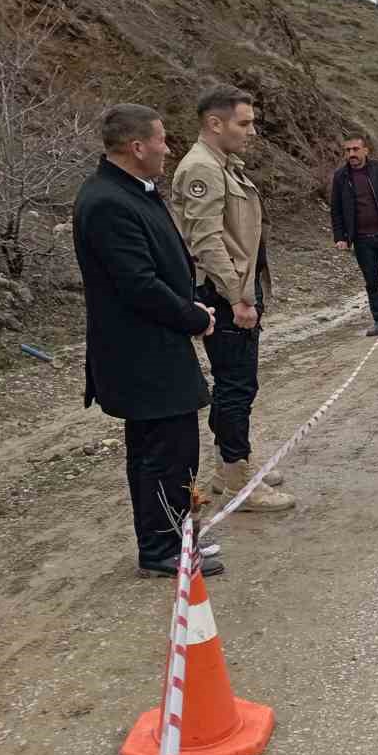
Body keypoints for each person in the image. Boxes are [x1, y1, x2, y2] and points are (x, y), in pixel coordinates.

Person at [74, 104, 223, 577]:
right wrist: (193, 317)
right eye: (160, 139)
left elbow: (161, 265)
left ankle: (176, 537)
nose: (167, 148)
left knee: (170, 450)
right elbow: (137, 284)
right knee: (163, 453)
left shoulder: (132, 191)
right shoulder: (107, 202)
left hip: (157, 347)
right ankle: (162, 549)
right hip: (141, 355)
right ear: (137, 147)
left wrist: (191, 303)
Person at [169, 85, 295, 511]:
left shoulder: (223, 166)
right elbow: (206, 242)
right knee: (236, 386)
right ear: (215, 123)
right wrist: (238, 297)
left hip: (236, 287)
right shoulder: (202, 169)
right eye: (244, 123)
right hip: (225, 293)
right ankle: (240, 479)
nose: (252, 131)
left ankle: (229, 466)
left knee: (237, 383)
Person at [329, 132, 378, 337]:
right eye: (348, 150)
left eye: (355, 149)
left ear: (366, 150)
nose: (351, 154)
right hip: (361, 240)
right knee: (372, 282)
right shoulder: (341, 177)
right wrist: (340, 237)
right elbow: (336, 209)